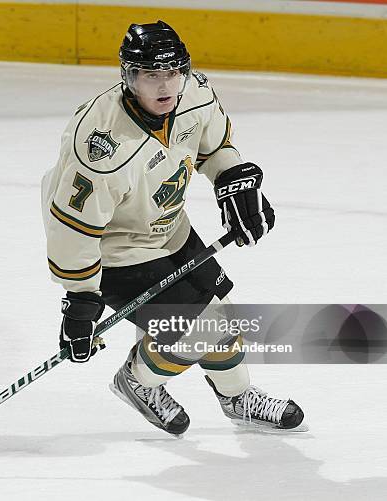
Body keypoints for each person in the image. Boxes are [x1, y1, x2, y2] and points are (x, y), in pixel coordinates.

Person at [41, 21, 305, 435]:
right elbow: (73, 228)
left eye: (172, 72)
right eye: (150, 75)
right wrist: (80, 298)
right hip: (113, 247)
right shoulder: (100, 145)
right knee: (198, 330)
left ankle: (237, 399)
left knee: (221, 317)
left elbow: (214, 148)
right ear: (129, 78)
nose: (165, 86)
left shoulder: (195, 95)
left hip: (168, 226)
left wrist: (232, 181)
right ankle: (137, 382)